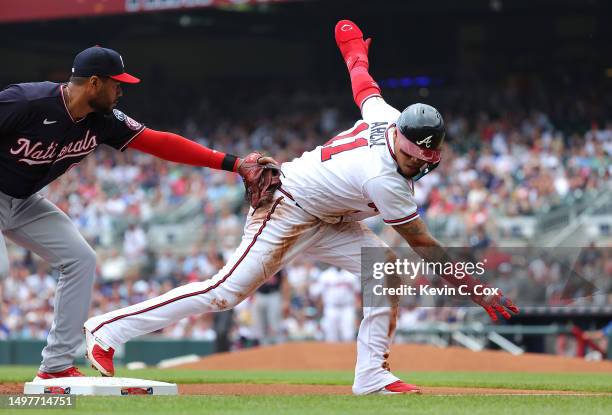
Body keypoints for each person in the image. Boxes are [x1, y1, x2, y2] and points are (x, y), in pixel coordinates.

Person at [84, 20, 518, 395]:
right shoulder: (385, 179)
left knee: (383, 269)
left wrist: (351, 49)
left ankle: (371, 375)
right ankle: (107, 330)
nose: (412, 163)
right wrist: (476, 289)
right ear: (401, 144)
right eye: (409, 156)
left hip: (329, 215)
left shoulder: (389, 118)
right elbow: (423, 243)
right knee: (225, 292)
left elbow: (364, 85)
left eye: (420, 160)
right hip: (290, 206)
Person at [0, 46, 276, 380]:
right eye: (116, 83)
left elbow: (161, 143)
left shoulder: (102, 122)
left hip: (26, 200)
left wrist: (232, 163)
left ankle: (55, 367)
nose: (121, 89)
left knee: (80, 259)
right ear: (94, 83)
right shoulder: (26, 101)